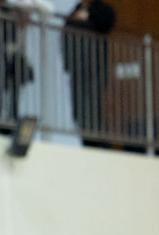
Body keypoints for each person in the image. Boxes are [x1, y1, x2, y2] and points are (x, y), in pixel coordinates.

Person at [62, 0, 116, 148]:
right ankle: (87, 141)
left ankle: (99, 144)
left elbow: (107, 23)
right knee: (78, 111)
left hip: (95, 68)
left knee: (93, 108)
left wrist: (89, 15)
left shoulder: (100, 8)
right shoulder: (75, 9)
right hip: (76, 69)